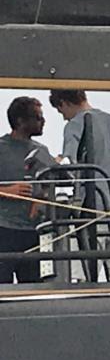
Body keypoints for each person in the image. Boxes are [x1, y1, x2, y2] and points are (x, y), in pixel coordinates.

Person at [49, 90, 110, 281]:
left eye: (60, 111)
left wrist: (54, 163)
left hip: (92, 208)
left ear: (64, 103)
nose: (63, 117)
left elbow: (69, 165)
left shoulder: (75, 124)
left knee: (83, 273)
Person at [0, 97, 54, 284]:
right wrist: (8, 190)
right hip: (4, 230)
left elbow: (50, 185)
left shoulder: (42, 151)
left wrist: (40, 199)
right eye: (38, 117)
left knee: (34, 289)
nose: (43, 121)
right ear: (21, 121)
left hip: (33, 231)